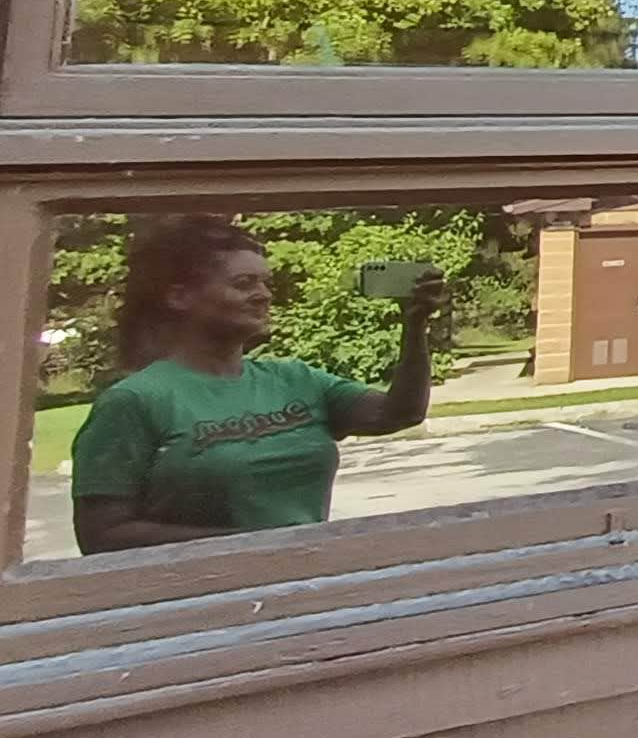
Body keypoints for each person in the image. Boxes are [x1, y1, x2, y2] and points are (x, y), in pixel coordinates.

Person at [68, 217, 440, 554]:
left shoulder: (296, 379)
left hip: (305, 577)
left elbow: (400, 413)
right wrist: (251, 546)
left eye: (265, 283)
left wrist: (415, 325)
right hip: (205, 593)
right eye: (243, 284)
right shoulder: (133, 401)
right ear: (179, 297)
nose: (264, 295)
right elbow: (102, 536)